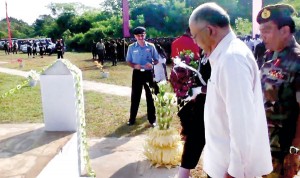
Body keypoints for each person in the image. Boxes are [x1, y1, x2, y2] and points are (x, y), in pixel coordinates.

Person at [189, 2, 272, 177]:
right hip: (222, 164)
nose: (195, 42)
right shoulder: (225, 55)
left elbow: (242, 122)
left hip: (230, 171)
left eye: (194, 36)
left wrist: (234, 172)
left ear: (210, 30)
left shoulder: (231, 59)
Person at [257, 4, 300, 177]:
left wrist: (295, 149)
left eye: (267, 30)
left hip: (283, 150)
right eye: (261, 31)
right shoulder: (270, 57)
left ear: (285, 31)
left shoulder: (297, 61)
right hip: (264, 145)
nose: (262, 36)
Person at [177, 52, 211, 178]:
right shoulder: (204, 53)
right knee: (194, 137)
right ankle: (183, 172)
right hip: (201, 103)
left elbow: (220, 85)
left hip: (214, 106)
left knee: (207, 142)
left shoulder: (219, 55)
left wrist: (199, 90)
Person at [126, 26, 159, 127]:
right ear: (135, 36)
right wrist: (134, 66)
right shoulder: (131, 47)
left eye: (142, 35)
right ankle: (132, 119)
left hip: (148, 73)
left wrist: (152, 63)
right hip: (137, 74)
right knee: (135, 96)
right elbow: (128, 61)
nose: (141, 37)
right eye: (138, 35)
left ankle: (152, 120)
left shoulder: (151, 46)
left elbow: (156, 60)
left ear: (145, 34)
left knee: (150, 96)